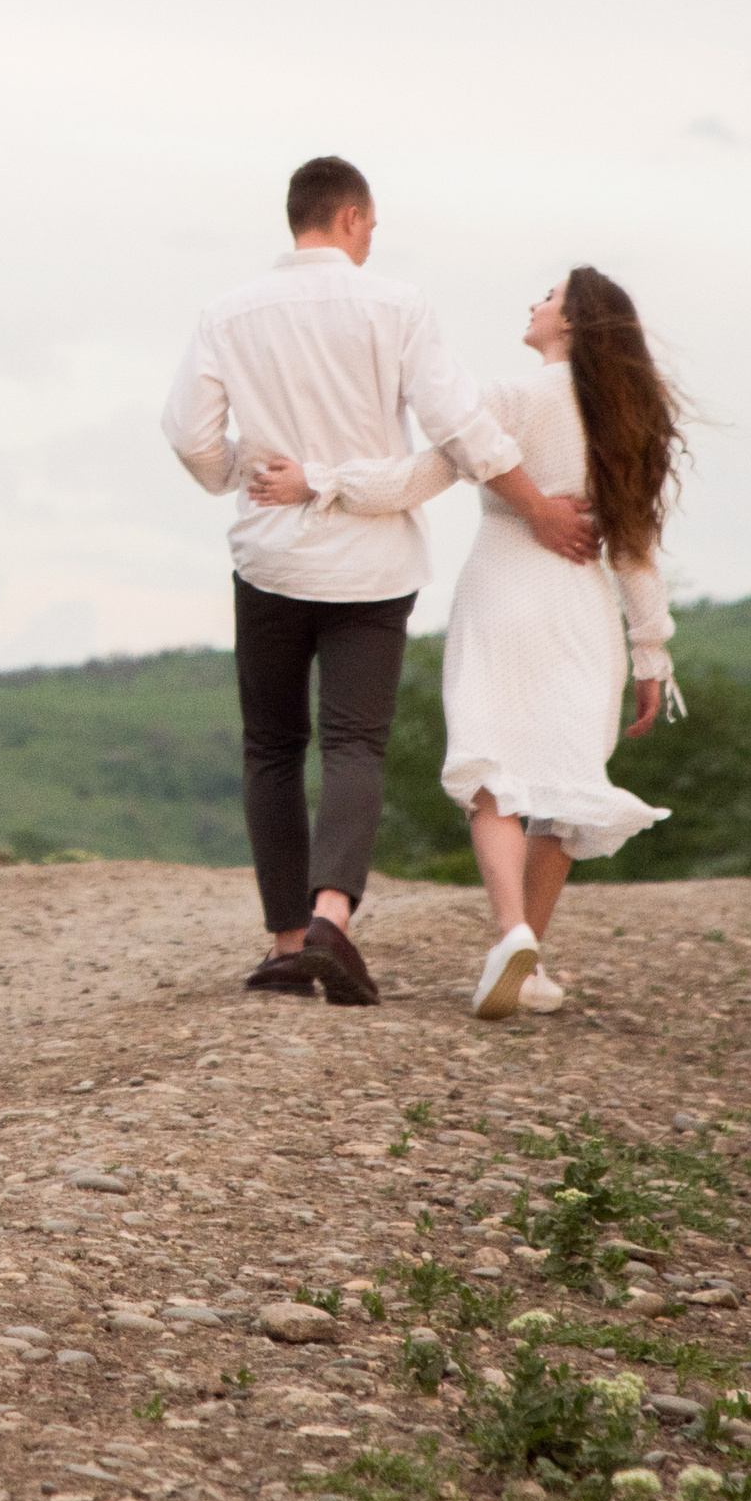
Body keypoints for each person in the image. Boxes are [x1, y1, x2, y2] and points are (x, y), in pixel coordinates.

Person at [161, 157, 599, 1006]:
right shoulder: (397, 305)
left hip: (270, 555)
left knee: (272, 747)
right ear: (354, 219)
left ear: (299, 218)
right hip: (371, 564)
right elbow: (458, 425)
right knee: (354, 744)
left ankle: (287, 943)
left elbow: (186, 432)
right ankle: (333, 920)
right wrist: (538, 506)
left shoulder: (228, 312)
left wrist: (230, 474)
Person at [248, 265, 686, 1020]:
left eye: (548, 297)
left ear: (574, 321)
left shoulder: (513, 398)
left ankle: (513, 932)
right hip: (582, 609)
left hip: (505, 593)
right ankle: (526, 958)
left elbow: (416, 479)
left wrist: (315, 479)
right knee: (563, 786)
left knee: (495, 773)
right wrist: (652, 652)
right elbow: (638, 552)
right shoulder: (628, 420)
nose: (533, 303)